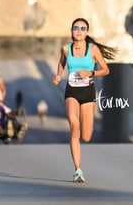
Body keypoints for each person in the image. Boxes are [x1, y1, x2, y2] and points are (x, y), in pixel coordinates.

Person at [52, 17, 116, 183]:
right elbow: (62, 62)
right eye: (76, 28)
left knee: (86, 136)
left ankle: (83, 130)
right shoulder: (66, 48)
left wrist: (90, 73)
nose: (79, 31)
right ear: (71, 31)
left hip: (88, 92)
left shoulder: (93, 50)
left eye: (82, 28)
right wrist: (59, 75)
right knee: (74, 128)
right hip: (71, 91)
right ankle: (78, 170)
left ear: (86, 32)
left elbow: (106, 70)